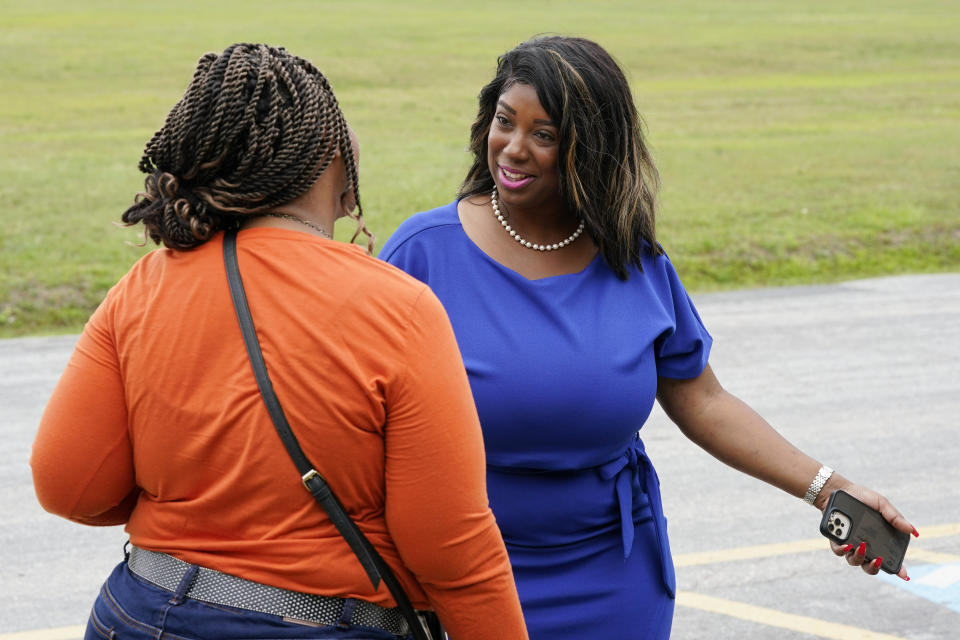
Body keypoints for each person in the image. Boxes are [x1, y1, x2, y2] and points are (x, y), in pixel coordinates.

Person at [379, 35, 918, 639]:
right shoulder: (422, 253)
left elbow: (705, 401)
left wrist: (830, 490)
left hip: (613, 573)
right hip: (462, 576)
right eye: (505, 122)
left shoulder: (633, 262)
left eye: (544, 134)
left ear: (590, 147)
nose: (513, 148)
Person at [31, 43, 527, 640]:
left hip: (142, 610)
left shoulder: (143, 285)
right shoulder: (400, 307)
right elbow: (451, 548)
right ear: (331, 156)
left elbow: (69, 486)